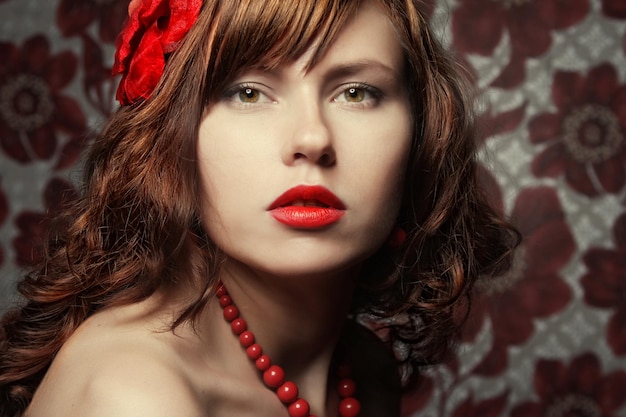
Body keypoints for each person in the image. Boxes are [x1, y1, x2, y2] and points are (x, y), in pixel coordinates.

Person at [0, 0, 519, 416]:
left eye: (356, 92)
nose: (312, 138)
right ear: (173, 138)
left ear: (422, 135)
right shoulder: (134, 394)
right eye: (248, 92)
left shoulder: (365, 371)